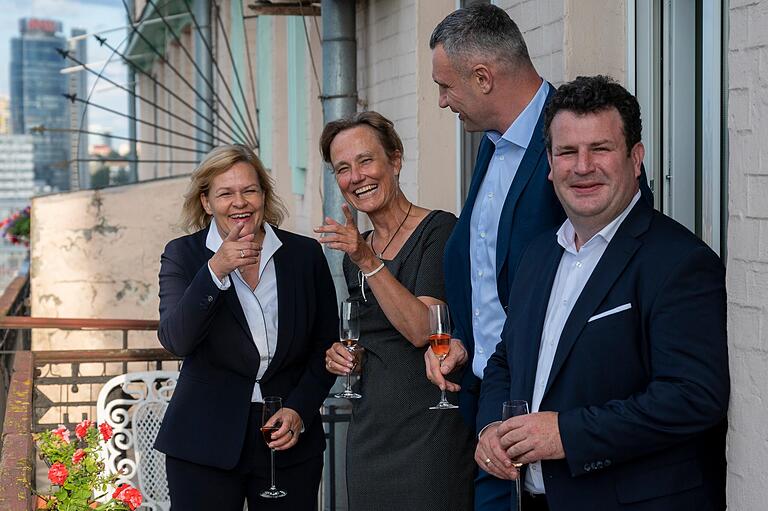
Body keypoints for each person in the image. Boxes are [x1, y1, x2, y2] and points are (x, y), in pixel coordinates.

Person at [425, 5, 652, 508]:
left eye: (446, 87)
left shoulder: (574, 141)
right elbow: (489, 271)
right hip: (492, 416)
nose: (442, 102)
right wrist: (465, 340)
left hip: (567, 437)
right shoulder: (490, 145)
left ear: (483, 78)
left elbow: (623, 254)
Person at [476, 75, 729, 511]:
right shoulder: (538, 255)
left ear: (636, 159)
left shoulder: (679, 261)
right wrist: (491, 428)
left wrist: (566, 435)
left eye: (601, 149)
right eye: (567, 152)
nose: (582, 166)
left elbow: (693, 396)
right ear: (550, 165)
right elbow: (505, 357)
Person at [154, 144, 338, 510]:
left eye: (249, 190)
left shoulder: (303, 255)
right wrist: (216, 270)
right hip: (203, 440)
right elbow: (176, 339)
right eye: (225, 193)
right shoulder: (184, 255)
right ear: (206, 202)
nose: (240, 202)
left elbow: (325, 347)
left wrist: (300, 409)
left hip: (286, 437)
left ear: (263, 195)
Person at [315, 111, 475, 510]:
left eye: (366, 160)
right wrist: (347, 357)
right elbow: (374, 337)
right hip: (371, 430)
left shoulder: (439, 231)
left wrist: (367, 259)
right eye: (343, 168)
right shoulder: (359, 249)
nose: (357, 177)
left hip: (429, 429)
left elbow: (423, 329)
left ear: (396, 159)